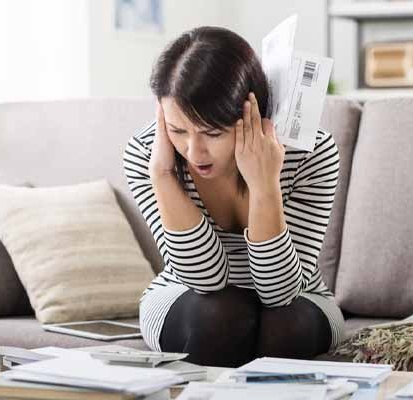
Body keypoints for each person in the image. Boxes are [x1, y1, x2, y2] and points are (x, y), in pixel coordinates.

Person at [122, 26, 345, 368]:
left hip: (298, 299)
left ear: (249, 112)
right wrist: (164, 176)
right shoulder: (148, 154)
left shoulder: (309, 153)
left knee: (283, 326)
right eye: (178, 130)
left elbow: (280, 291)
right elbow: (204, 279)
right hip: (187, 295)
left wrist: (265, 185)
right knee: (218, 317)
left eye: (212, 132)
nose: (194, 152)